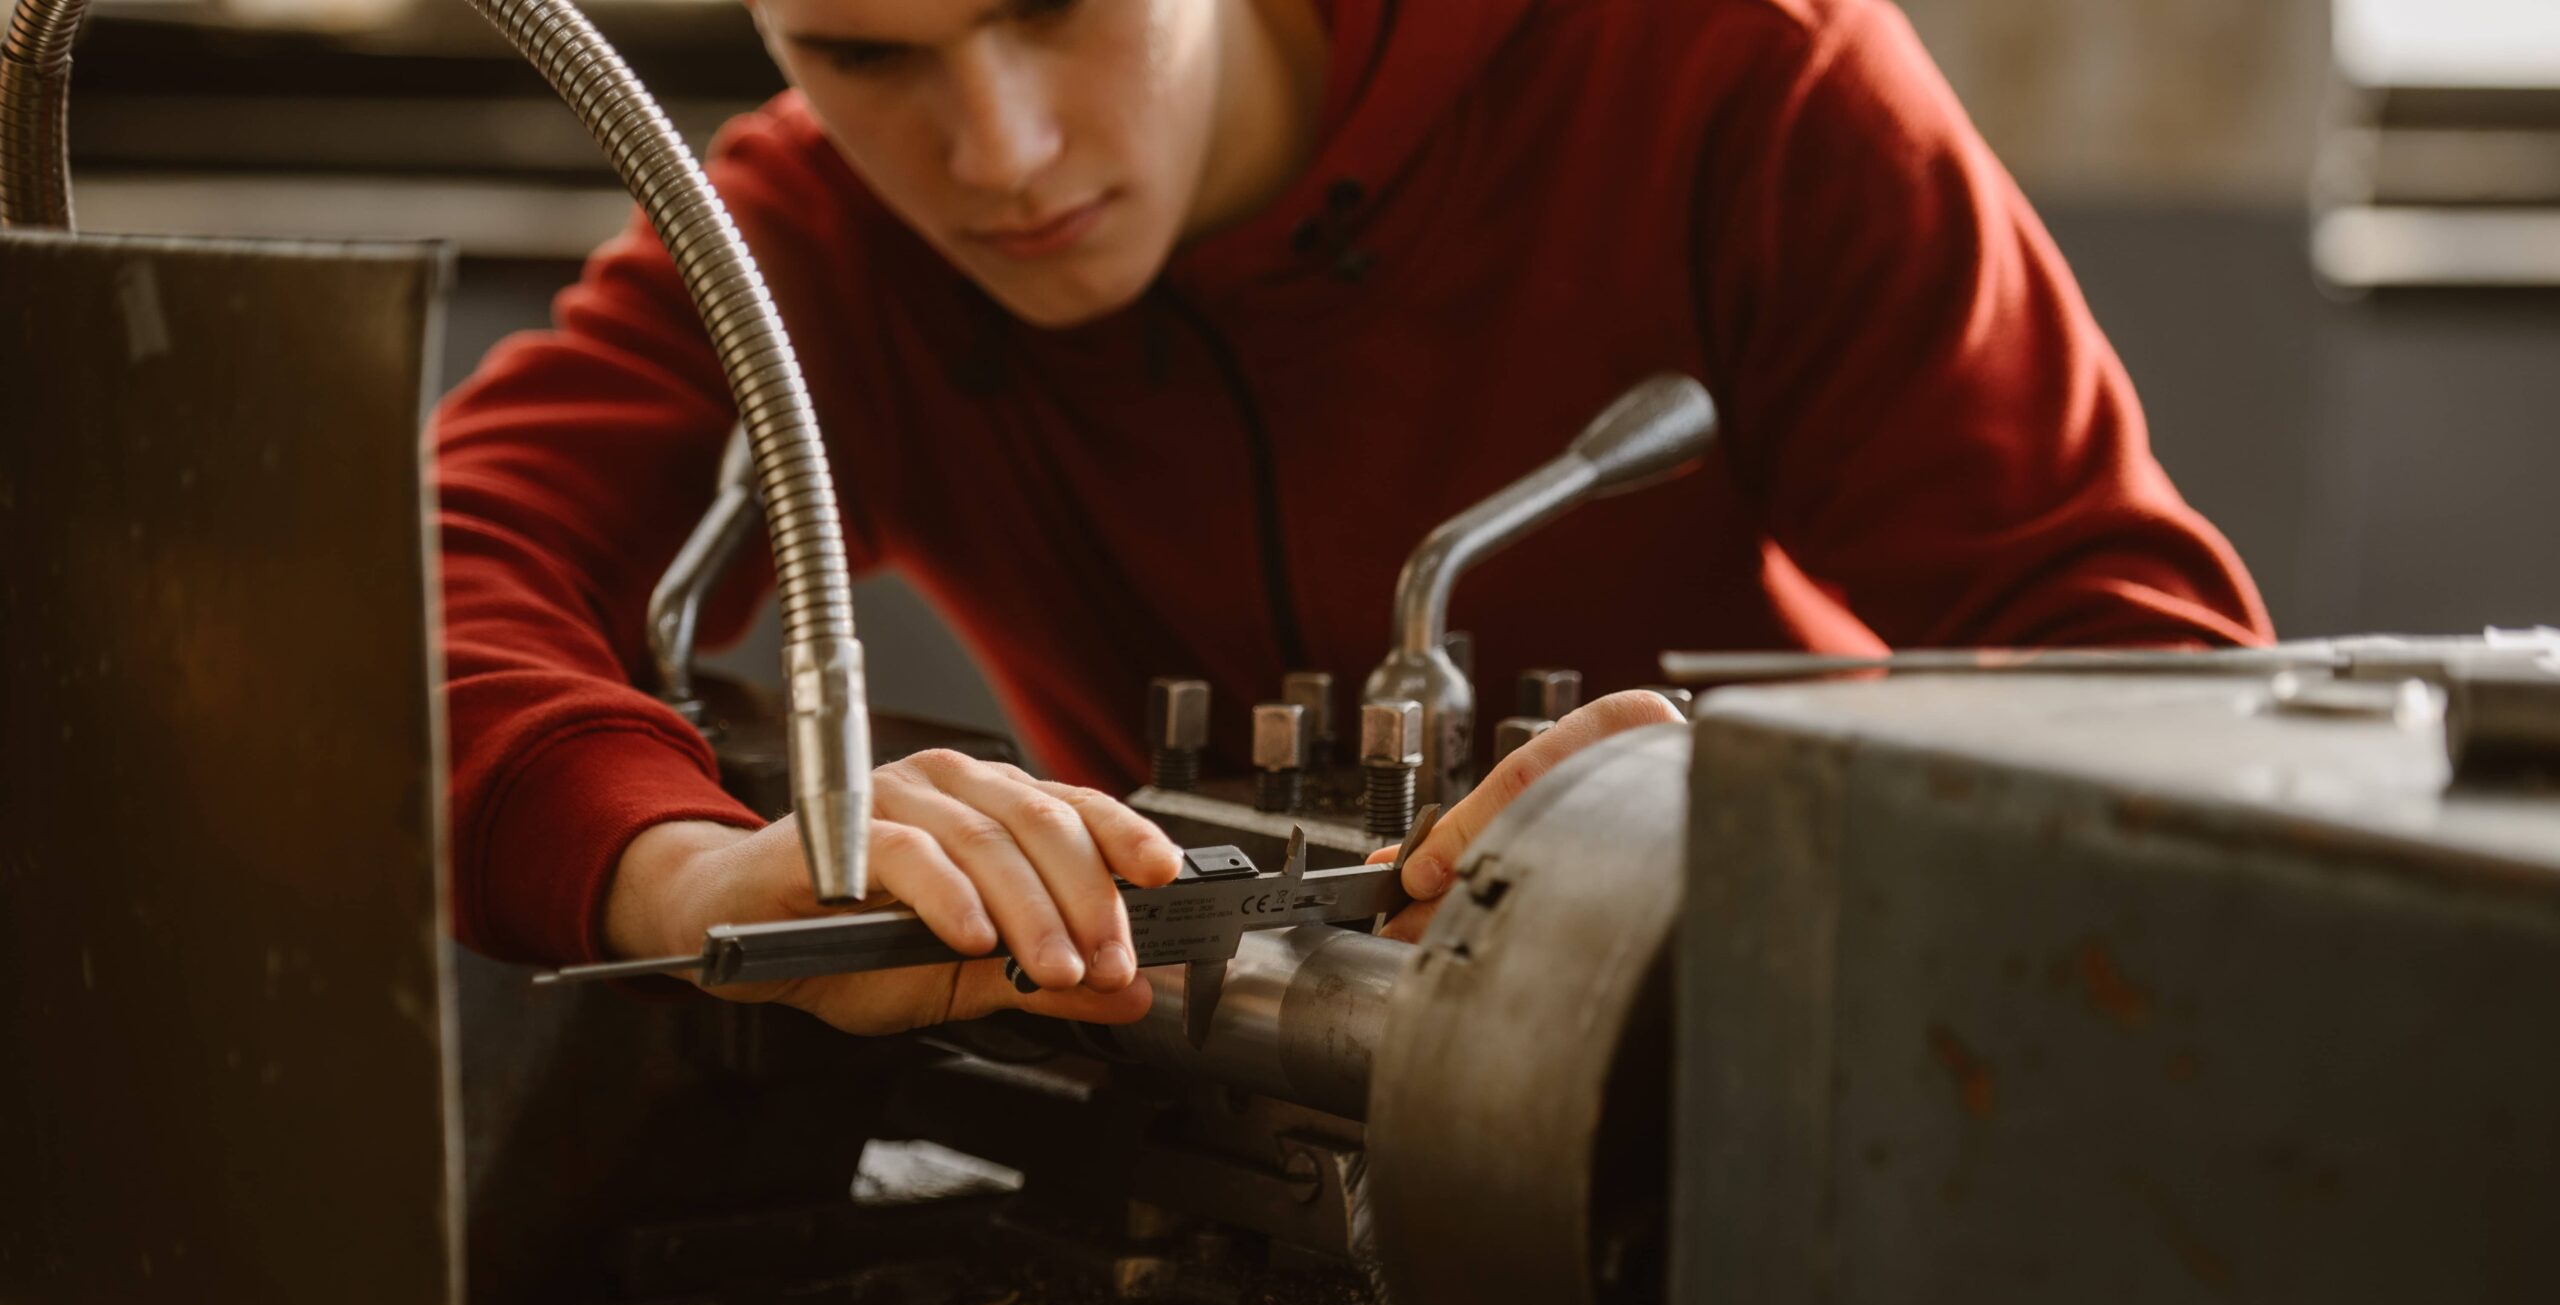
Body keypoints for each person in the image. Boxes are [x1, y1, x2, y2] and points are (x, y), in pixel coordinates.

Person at [436, 0, 2271, 1036]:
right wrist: (691, 874)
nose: (991, 155)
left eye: (1052, 7)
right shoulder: (813, 240)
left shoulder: (1728, 70)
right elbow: (409, 585)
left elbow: (2171, 681)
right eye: (865, 53)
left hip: (1781, 1094)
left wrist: (1766, 814)